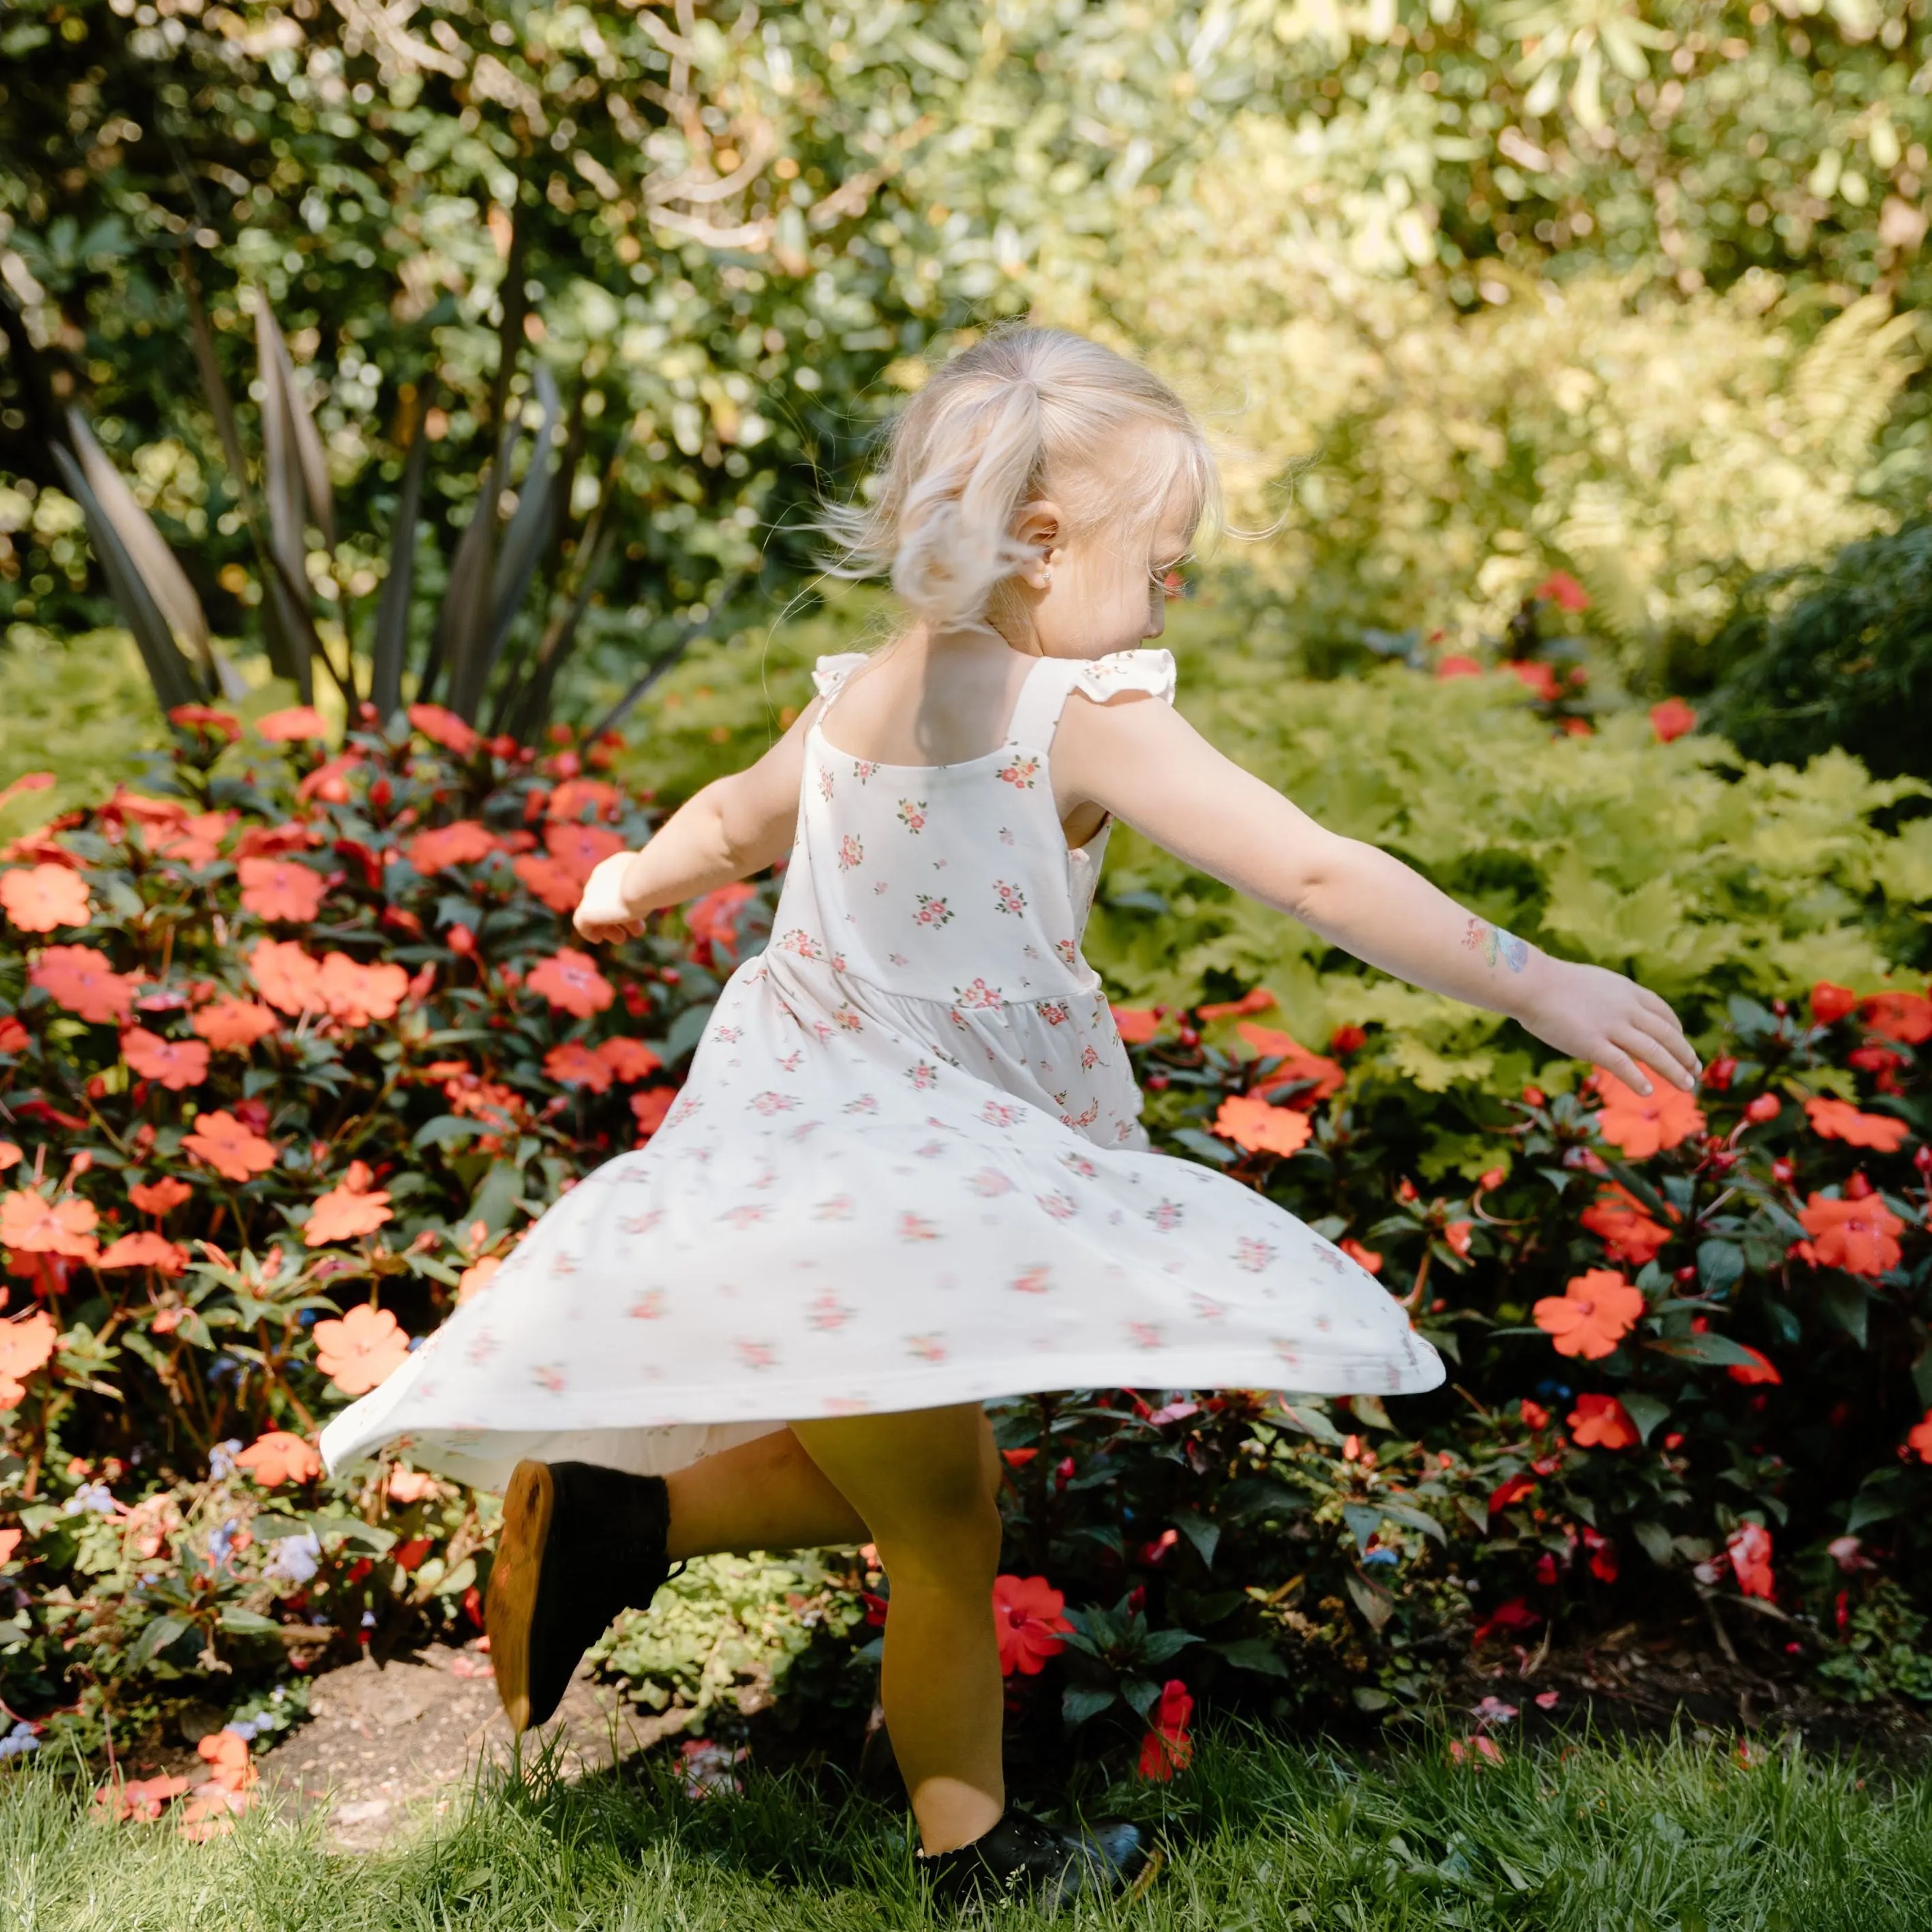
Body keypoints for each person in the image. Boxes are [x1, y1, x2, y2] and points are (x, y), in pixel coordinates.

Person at [320, 324, 1699, 1909]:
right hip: (900, 1170)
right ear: (1042, 547)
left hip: (811, 1148)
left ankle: (619, 1521)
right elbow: (1310, 867)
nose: (1172, 598)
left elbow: (725, 824)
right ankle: (973, 1858)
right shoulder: (1076, 714)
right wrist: (1535, 982)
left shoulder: (856, 701)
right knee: (948, 1525)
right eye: (1163, 567)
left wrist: (631, 881)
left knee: (913, 1464)